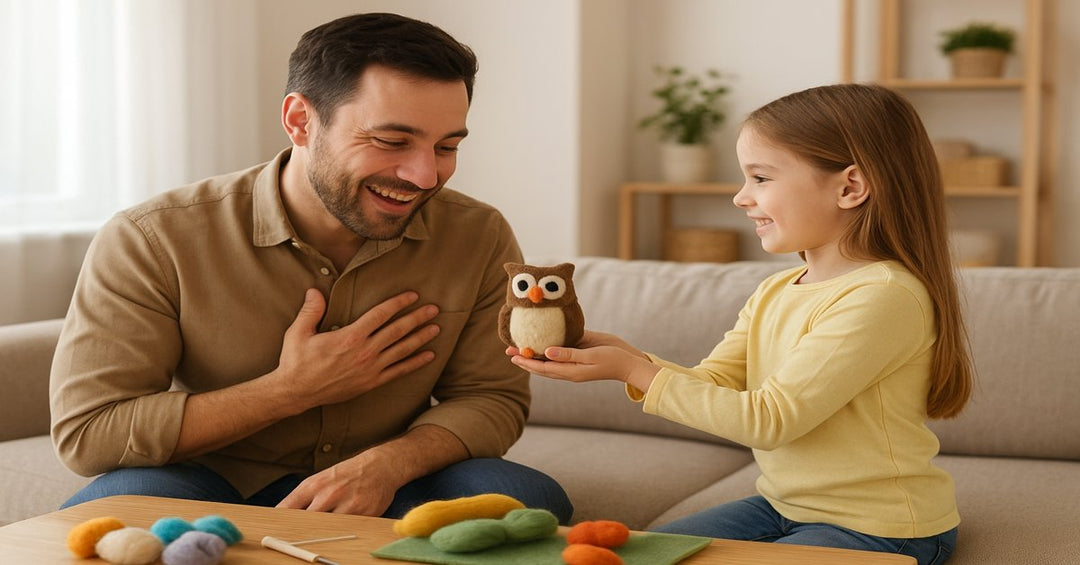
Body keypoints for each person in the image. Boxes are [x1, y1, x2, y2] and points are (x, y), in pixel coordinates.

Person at [50, 12, 572, 522]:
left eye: (447, 146)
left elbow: (491, 398)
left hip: (390, 484)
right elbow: (89, 433)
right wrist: (290, 390)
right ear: (301, 121)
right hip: (211, 483)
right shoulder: (152, 238)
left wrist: (389, 464)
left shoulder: (478, 234)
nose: (423, 174)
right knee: (116, 509)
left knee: (519, 497)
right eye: (391, 142)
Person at [511, 83, 972, 565]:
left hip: (881, 529)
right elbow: (716, 385)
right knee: (639, 557)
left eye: (760, 177)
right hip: (783, 507)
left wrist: (631, 372)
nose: (740, 197)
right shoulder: (777, 289)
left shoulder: (883, 297)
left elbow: (770, 420)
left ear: (850, 187)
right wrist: (631, 359)